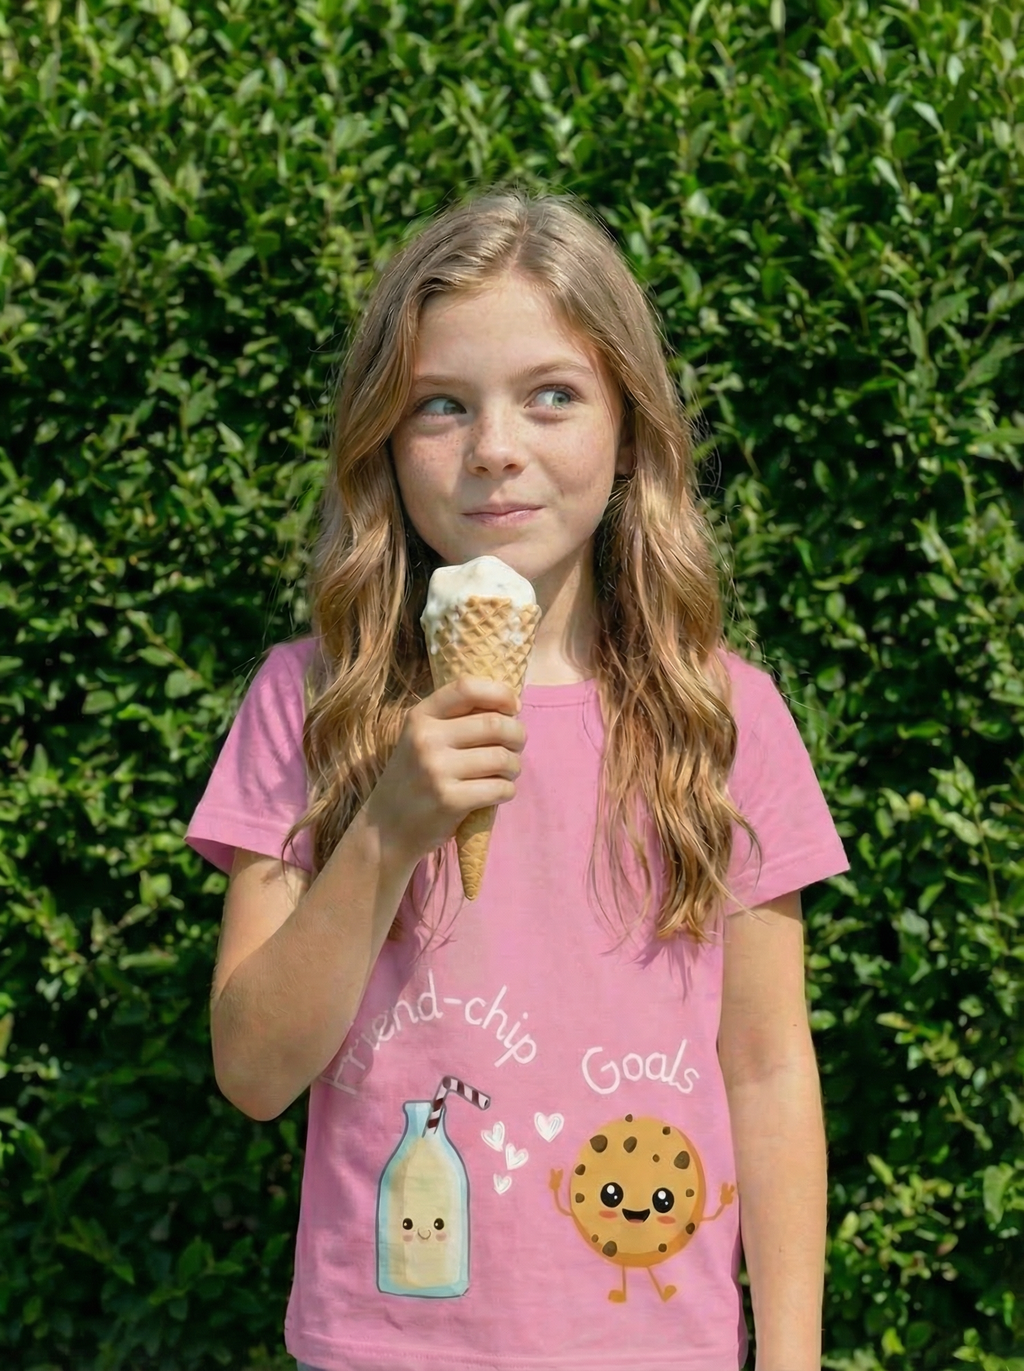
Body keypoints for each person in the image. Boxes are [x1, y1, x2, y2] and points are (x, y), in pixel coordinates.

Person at [186, 187, 849, 1371]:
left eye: (552, 395)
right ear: (385, 441)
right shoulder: (311, 702)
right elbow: (252, 1070)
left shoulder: (723, 716)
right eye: (442, 404)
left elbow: (764, 1067)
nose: (495, 446)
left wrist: (791, 1356)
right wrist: (387, 829)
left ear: (630, 429)